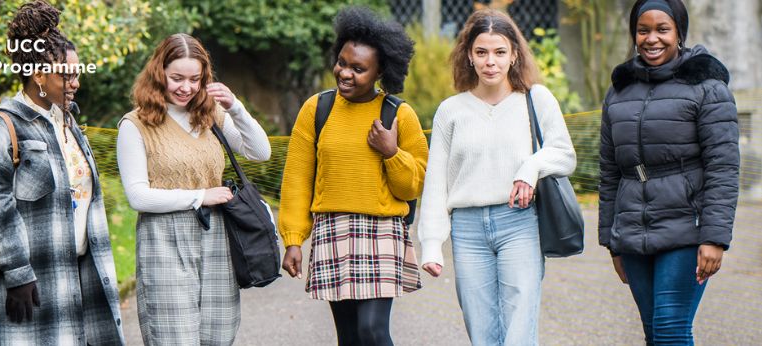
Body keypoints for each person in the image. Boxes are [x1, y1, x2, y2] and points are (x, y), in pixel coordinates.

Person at [416, 9, 577, 346]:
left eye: (500, 52)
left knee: (519, 332)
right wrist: (431, 244)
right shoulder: (451, 110)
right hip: (467, 230)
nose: (491, 61)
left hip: (519, 223)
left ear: (514, 55)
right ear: (469, 56)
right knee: (482, 333)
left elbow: (564, 154)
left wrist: (530, 169)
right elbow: (436, 183)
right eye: (481, 52)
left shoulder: (536, 99)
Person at [0, 1, 124, 344]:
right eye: (66, 75)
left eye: (78, 73)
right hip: (31, 286)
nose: (76, 83)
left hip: (82, 279)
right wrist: (18, 273)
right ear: (38, 75)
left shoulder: (69, 125)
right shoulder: (2, 129)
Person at [277, 6, 427, 346]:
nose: (345, 73)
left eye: (358, 69)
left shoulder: (398, 114)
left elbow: (413, 185)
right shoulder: (317, 109)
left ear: (379, 72)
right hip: (333, 230)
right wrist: (293, 239)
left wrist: (392, 152)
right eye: (342, 62)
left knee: (371, 331)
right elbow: (298, 178)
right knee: (348, 337)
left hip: (381, 231)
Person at [598, 0, 739, 344]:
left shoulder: (707, 87)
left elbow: (723, 166)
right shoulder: (618, 91)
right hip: (633, 231)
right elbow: (609, 170)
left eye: (662, 29)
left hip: (686, 229)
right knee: (653, 332)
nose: (651, 39)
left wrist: (714, 237)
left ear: (679, 33)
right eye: (643, 30)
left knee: (670, 329)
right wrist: (611, 241)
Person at [117, 33, 271, 345]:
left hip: (216, 237)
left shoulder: (210, 114)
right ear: (159, 73)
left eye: (195, 79)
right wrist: (201, 196)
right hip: (164, 240)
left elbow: (260, 151)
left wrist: (235, 107)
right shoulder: (135, 125)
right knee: (174, 336)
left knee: (219, 334)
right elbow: (137, 196)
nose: (186, 87)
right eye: (177, 78)